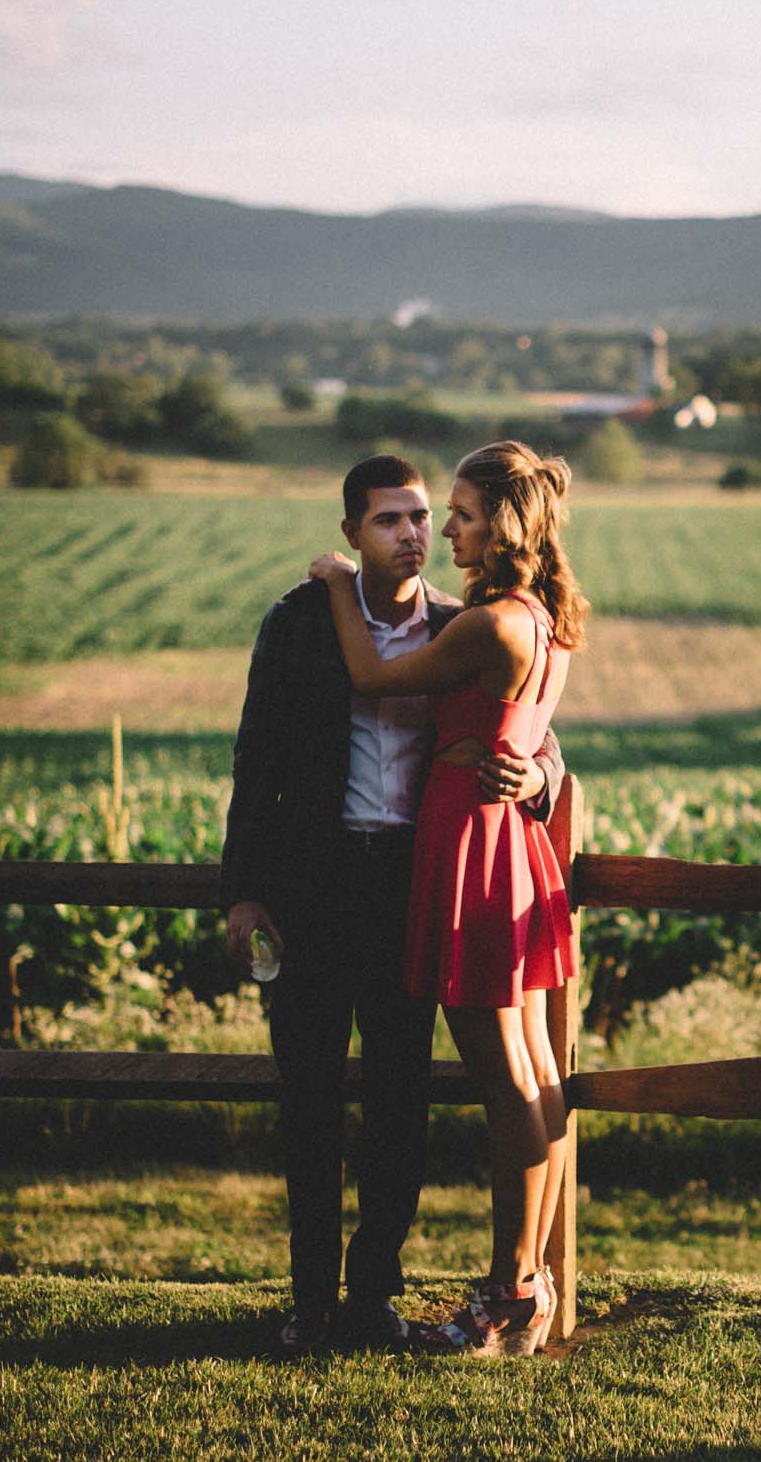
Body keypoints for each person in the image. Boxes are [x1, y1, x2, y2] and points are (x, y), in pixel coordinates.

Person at [222, 453, 564, 1354]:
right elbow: (255, 759)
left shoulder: (468, 625)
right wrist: (246, 889)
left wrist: (534, 775)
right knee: (310, 1101)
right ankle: (310, 1301)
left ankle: (373, 1295)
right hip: (313, 885)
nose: (416, 532)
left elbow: (539, 737)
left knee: (401, 1104)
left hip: (413, 885)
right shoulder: (297, 626)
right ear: (350, 535)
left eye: (426, 516)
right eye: (391, 520)